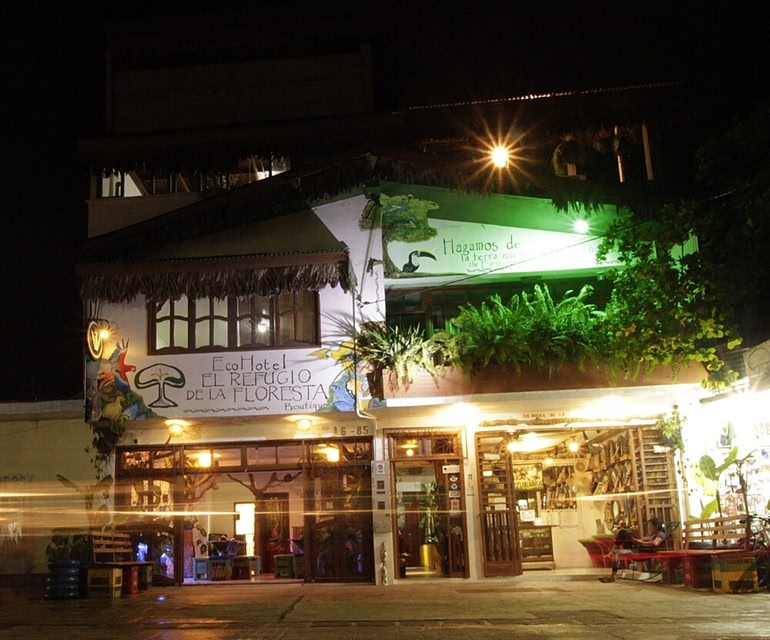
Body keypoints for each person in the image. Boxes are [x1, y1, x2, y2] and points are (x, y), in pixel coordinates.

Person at [599, 518, 667, 583]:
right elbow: (644, 541)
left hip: (641, 553)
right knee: (617, 549)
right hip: (637, 549)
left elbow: (655, 543)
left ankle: (612, 574)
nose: (649, 528)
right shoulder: (653, 535)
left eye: (651, 526)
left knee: (623, 533)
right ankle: (612, 575)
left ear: (656, 527)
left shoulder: (660, 534)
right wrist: (637, 540)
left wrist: (640, 543)